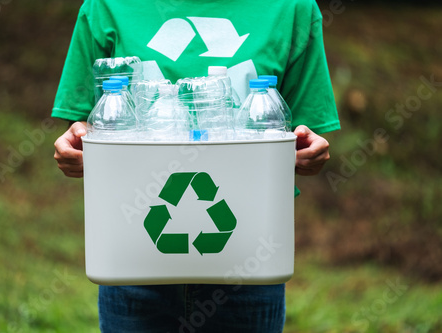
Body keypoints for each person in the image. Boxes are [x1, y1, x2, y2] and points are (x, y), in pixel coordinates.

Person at [52, 0, 340, 331]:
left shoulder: (292, 8)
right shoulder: (106, 6)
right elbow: (91, 121)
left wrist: (309, 150)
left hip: (248, 261)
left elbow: (296, 127)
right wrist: (76, 142)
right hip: (131, 258)